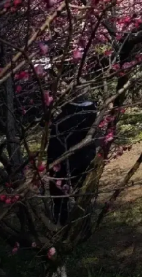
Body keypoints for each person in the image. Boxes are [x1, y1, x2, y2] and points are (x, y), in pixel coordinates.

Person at [47, 94, 98, 226]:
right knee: (81, 188)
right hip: (83, 157)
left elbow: (55, 145)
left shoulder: (66, 117)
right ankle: (80, 220)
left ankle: (64, 219)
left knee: (64, 191)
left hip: (66, 158)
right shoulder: (93, 113)